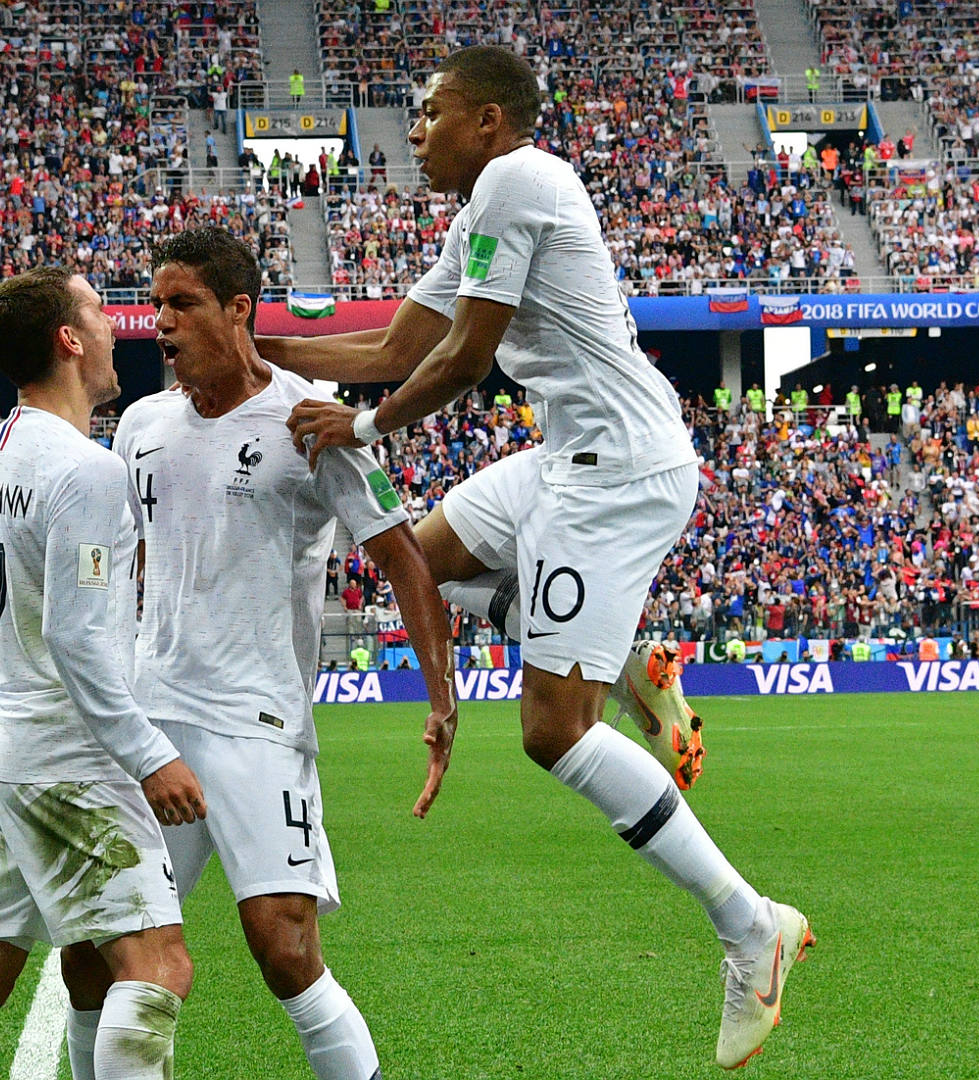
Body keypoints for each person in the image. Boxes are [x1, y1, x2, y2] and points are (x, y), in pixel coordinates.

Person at [266, 46, 810, 1068]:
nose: (414, 131)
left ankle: (750, 928)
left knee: (553, 732)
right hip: (565, 459)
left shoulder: (522, 179)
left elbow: (461, 360)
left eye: (430, 113)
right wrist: (267, 353)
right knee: (415, 564)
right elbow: (392, 345)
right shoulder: (480, 210)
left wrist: (367, 431)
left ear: (487, 121)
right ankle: (630, 664)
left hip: (620, 474)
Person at [62, 228, 457, 1080]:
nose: (161, 321)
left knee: (284, 948)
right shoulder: (140, 425)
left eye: (184, 303)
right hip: (151, 721)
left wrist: (442, 699)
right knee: (96, 953)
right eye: (156, 303)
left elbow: (402, 557)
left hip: (256, 721)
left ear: (239, 309)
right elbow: (121, 563)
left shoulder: (311, 419)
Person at [0, 267, 205, 1080]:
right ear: (69, 340)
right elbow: (78, 639)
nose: (114, 325)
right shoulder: (87, 471)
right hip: (65, 757)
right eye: (99, 312)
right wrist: (150, 756)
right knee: (159, 965)